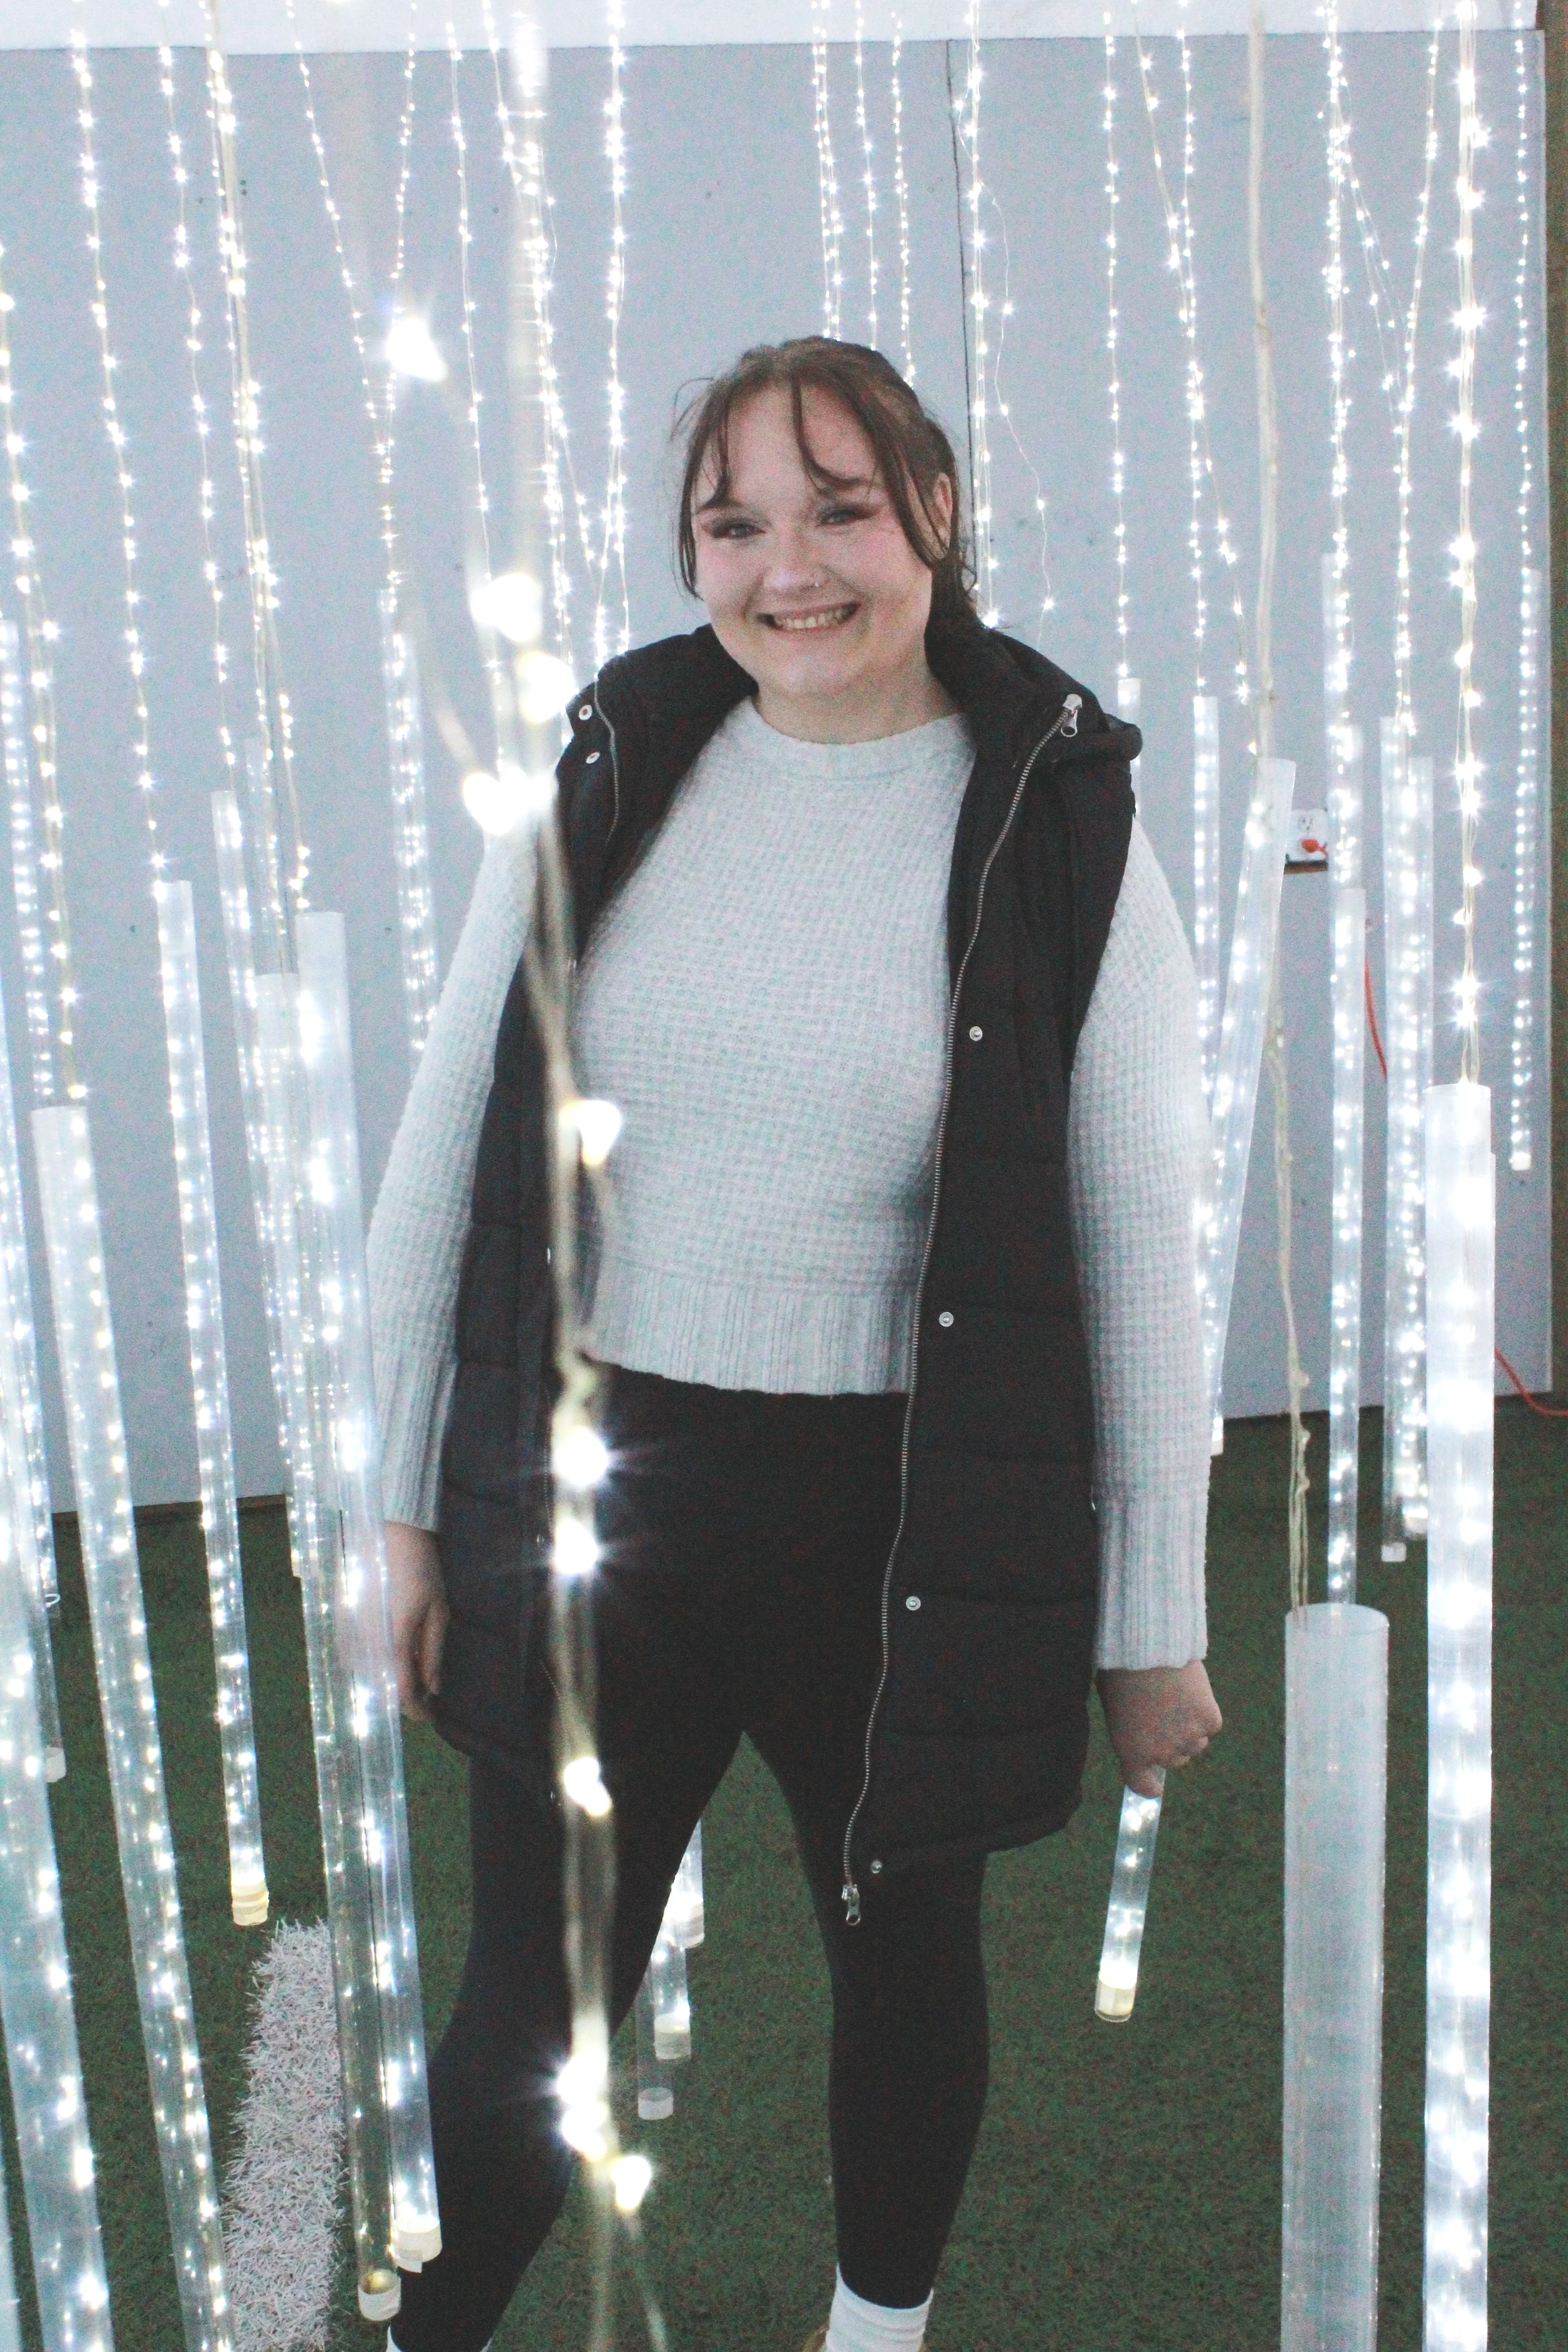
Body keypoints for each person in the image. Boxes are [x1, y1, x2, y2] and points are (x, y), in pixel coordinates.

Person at [368, 337, 1221, 2352]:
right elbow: (439, 1164)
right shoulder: (603, 768)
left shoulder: (1058, 817)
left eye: (839, 506)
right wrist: (394, 1515)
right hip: (603, 1493)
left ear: (933, 512)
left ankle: (874, 2331)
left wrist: (1152, 1614)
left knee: (901, 1958)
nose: (787, 569)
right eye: (730, 522)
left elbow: (1134, 1243)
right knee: (527, 2001)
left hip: (895, 1512)